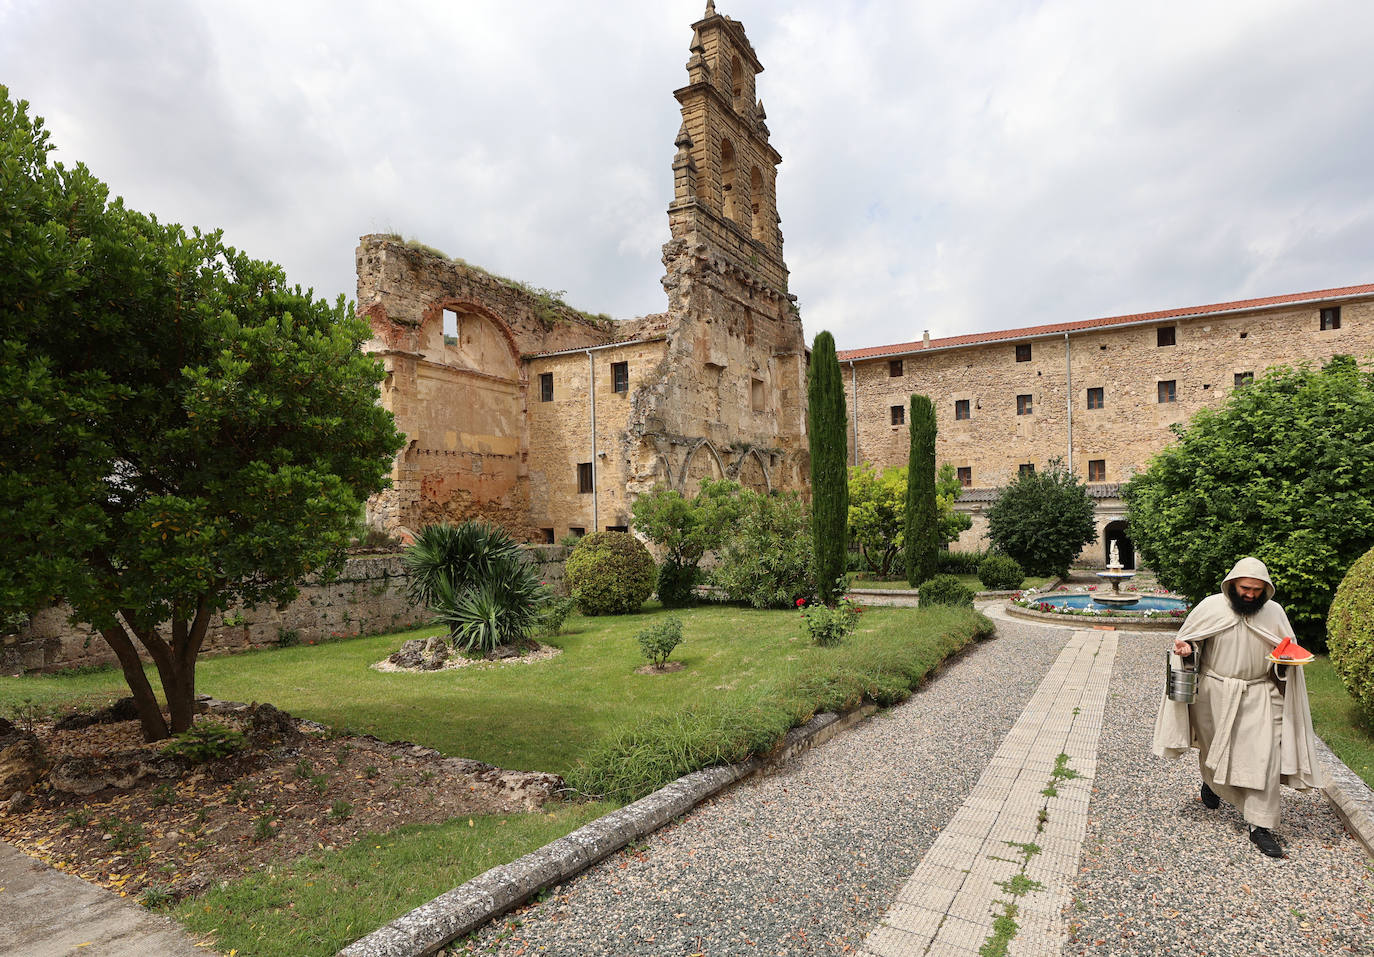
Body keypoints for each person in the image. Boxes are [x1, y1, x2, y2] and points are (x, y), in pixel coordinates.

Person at [1151, 557, 1323, 858]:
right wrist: (1187, 650)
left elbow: (1285, 653)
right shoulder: (1211, 607)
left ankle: (1261, 826)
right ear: (1232, 584)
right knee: (1216, 748)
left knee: (1264, 757)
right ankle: (1213, 784)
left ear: (1265, 589)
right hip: (1213, 692)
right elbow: (1191, 645)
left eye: (1257, 590)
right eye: (1245, 588)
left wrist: (1285, 665)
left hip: (1259, 692)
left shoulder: (1274, 613)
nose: (1250, 595)